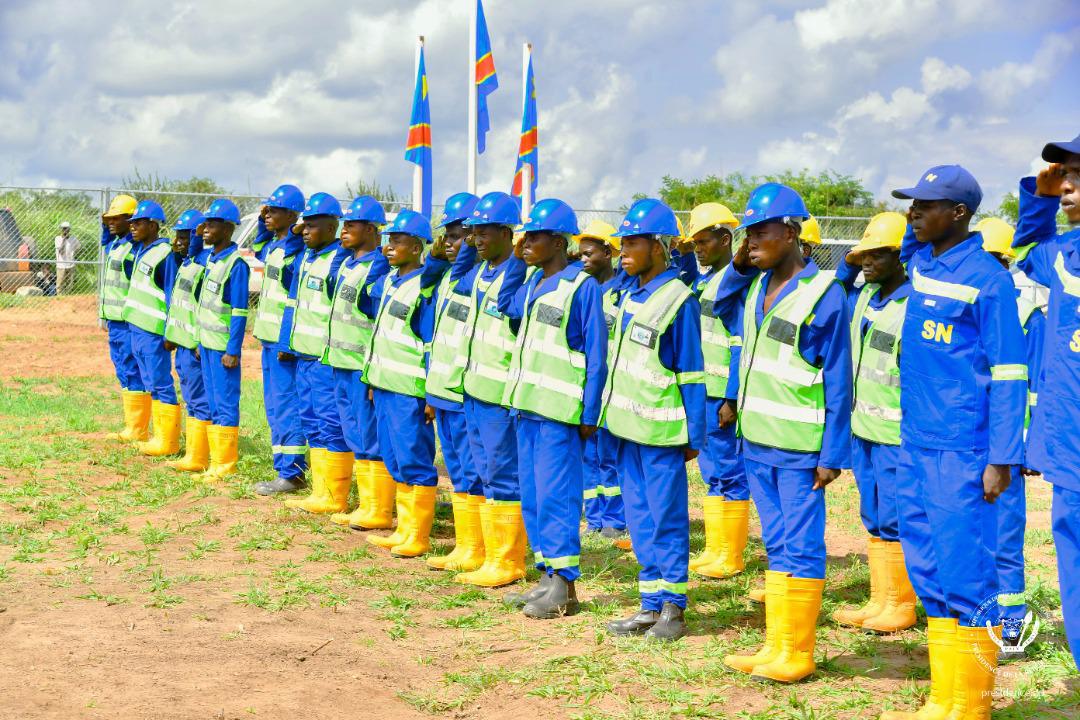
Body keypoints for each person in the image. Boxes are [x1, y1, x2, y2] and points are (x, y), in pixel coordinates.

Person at [879, 166, 1026, 720]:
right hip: (916, 442)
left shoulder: (989, 280)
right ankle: (945, 699)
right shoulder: (921, 263)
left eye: (925, 205)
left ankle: (971, 706)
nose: (912, 213)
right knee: (928, 568)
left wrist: (1002, 457)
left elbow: (1009, 371)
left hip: (963, 449)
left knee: (966, 570)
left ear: (959, 213)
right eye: (912, 203)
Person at [715, 183, 852, 683]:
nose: (750, 240)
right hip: (757, 443)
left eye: (761, 231)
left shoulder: (825, 294)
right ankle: (776, 645)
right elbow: (717, 300)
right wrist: (740, 263)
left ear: (792, 234)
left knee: (802, 546)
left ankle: (798, 652)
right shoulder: (754, 286)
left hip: (799, 449)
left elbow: (840, 380)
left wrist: (833, 452)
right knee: (776, 545)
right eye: (747, 232)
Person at [601, 198, 705, 642]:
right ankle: (648, 604)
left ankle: (673, 608)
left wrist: (693, 435)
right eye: (622, 241)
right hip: (626, 430)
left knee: (666, 519)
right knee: (641, 519)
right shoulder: (628, 294)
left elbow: (693, 373)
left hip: (661, 434)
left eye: (634, 242)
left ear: (659, 246)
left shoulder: (678, 300)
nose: (623, 249)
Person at [501, 199, 607, 619]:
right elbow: (503, 305)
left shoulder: (582, 287)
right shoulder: (529, 285)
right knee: (534, 497)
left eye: (534, 237)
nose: (525, 244)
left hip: (560, 412)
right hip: (527, 408)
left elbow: (596, 354)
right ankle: (546, 575)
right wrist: (514, 260)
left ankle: (564, 584)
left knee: (558, 497)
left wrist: (589, 412)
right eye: (522, 237)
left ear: (559, 241)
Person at [1011, 132, 1080, 670]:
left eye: (1079, 178)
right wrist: (1038, 197)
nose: (1068, 189)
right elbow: (1028, 253)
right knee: (1074, 567)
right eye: (1066, 178)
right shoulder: (1065, 256)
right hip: (1069, 451)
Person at [831, 212, 916, 634]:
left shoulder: (913, 303)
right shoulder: (863, 298)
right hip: (864, 430)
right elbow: (834, 292)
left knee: (898, 516)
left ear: (901, 256)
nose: (867, 262)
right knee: (873, 515)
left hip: (897, 435)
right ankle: (879, 599)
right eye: (863, 255)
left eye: (877, 255)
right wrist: (848, 264)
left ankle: (901, 603)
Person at [447, 191, 530, 588]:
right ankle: (485, 552)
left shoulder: (516, 269)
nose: (475, 239)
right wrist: (466, 247)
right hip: (474, 388)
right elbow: (458, 282)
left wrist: (514, 256)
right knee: (483, 471)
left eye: (483, 232)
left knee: (503, 473)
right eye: (472, 232)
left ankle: (508, 561)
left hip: (497, 392)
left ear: (507, 234)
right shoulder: (480, 272)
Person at [978, 216, 1045, 650]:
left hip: (1008, 444)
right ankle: (977, 612)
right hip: (966, 436)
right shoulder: (965, 297)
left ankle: (1013, 620)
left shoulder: (1027, 311)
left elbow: (1037, 382)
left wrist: (1029, 445)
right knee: (971, 530)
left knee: (1003, 533)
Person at [363, 210, 446, 557]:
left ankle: (418, 535)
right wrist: (373, 378)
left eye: (397, 242)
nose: (389, 247)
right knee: (395, 458)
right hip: (384, 384)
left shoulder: (423, 288)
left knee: (413, 458)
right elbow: (367, 310)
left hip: (408, 390)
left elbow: (429, 343)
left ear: (417, 247)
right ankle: (404, 528)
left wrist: (429, 394)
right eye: (388, 241)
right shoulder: (390, 281)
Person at [684, 202, 749, 580]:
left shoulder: (735, 284)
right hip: (704, 389)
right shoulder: (706, 281)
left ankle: (731, 554)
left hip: (721, 392)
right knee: (712, 472)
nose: (698, 249)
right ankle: (715, 548)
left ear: (726, 239)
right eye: (694, 244)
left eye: (704, 241)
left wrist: (732, 396)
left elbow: (740, 341)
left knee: (729, 471)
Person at [424, 192, 486, 571]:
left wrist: (467, 243)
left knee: (474, 470)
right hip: (443, 389)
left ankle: (479, 548)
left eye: (457, 233)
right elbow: (428, 278)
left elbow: (466, 262)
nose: (449, 241)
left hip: (466, 392)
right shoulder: (447, 278)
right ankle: (466, 546)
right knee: (459, 470)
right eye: (444, 233)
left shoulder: (474, 277)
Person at [323, 196, 393, 530]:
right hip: (340, 361)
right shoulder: (350, 262)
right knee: (353, 431)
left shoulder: (377, 264)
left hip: (361, 364)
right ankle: (367, 504)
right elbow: (330, 283)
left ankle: (378, 509)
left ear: (370, 229)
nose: (343, 230)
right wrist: (341, 249)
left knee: (369, 434)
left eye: (350, 225)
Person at [281, 193, 353, 513]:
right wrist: (288, 344)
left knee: (330, 424)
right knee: (311, 421)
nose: (305, 230)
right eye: (303, 225)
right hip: (303, 356)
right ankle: (322, 492)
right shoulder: (307, 256)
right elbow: (288, 268)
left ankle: (335, 496)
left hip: (324, 358)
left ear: (332, 226)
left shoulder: (339, 257)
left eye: (312, 225)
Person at [251, 185, 310, 495]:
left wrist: (287, 343)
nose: (268, 214)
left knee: (287, 406)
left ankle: (293, 472)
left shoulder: (297, 248)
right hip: (269, 339)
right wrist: (263, 224)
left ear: (291, 215)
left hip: (283, 342)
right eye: (267, 210)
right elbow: (259, 247)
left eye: (274, 211)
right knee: (275, 406)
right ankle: (283, 467)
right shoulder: (276, 245)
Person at [577, 220, 630, 540]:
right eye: (580, 254)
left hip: (612, 387)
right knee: (588, 455)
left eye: (589, 254)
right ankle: (594, 518)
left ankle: (615, 518)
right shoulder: (582, 290)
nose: (582, 259)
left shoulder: (621, 291)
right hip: (585, 386)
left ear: (609, 253)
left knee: (609, 456)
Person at [195, 199, 251, 481]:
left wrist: (233, 349)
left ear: (228, 229)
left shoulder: (236, 264)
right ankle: (216, 463)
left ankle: (226, 465)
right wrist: (198, 340)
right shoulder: (210, 259)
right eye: (205, 223)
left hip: (222, 349)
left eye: (213, 224)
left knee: (226, 403)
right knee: (213, 402)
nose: (206, 228)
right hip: (205, 344)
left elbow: (240, 311)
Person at [122, 200, 181, 457]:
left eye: (138, 222)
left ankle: (167, 441)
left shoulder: (164, 254)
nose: (132, 227)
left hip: (154, 332)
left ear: (154, 225)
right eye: (132, 222)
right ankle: (158, 436)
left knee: (159, 382)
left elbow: (171, 295)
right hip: (137, 328)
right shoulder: (141, 250)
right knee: (149, 381)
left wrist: (170, 331)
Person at [163, 209, 212, 472]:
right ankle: (194, 453)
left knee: (199, 397)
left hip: (193, 345)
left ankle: (199, 457)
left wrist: (196, 341)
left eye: (185, 236)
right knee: (190, 394)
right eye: (177, 236)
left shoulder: (204, 263)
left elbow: (205, 308)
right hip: (181, 342)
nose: (179, 241)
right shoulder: (186, 262)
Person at [99, 194, 150, 441]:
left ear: (131, 221)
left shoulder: (133, 249)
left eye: (116, 219)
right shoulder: (116, 245)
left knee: (132, 370)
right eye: (109, 218)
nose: (110, 222)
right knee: (122, 369)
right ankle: (132, 426)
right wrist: (105, 222)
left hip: (128, 321)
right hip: (114, 321)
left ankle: (138, 429)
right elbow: (106, 238)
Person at [54, 221, 79, 294]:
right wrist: (64, 239)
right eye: (63, 229)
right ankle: (60, 297)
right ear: (61, 229)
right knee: (60, 284)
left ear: (69, 229)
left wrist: (73, 254)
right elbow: (60, 251)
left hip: (70, 264)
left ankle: (68, 296)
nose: (65, 230)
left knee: (69, 285)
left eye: (66, 229)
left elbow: (78, 247)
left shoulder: (73, 239)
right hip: (61, 265)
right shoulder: (58, 239)